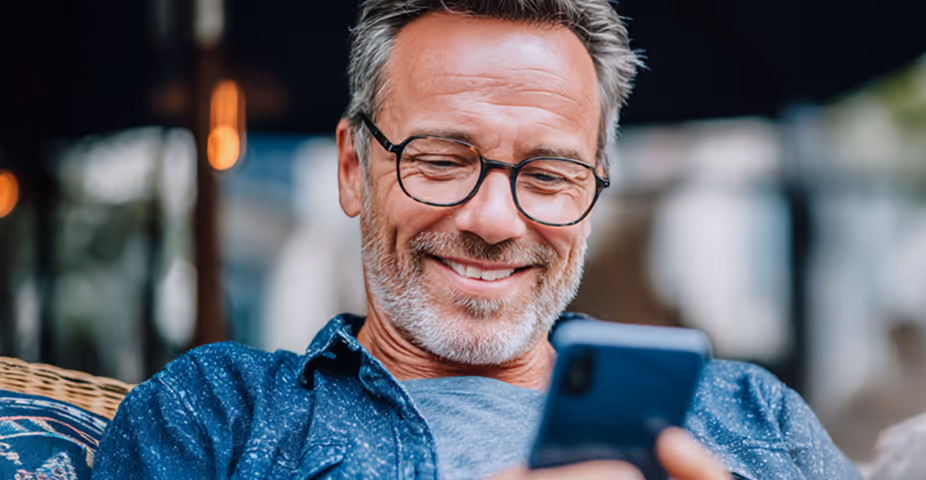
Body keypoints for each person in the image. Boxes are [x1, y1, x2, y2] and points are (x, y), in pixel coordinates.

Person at [94, 1, 861, 478]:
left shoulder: (756, 417)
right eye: (441, 161)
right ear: (353, 168)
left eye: (550, 175)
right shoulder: (219, 416)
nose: (493, 221)